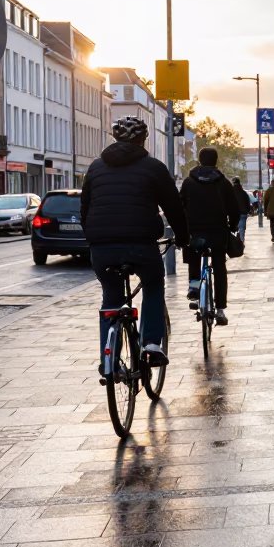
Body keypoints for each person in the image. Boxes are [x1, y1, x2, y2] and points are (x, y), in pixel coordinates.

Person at [81, 116, 189, 371]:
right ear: (143, 140)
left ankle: (110, 361)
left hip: (102, 247)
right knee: (152, 284)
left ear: (115, 138)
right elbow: (173, 207)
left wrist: (92, 238)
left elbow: (84, 207)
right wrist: (183, 237)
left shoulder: (95, 167)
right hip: (140, 244)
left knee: (111, 297)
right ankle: (151, 343)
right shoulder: (154, 167)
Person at [180, 147, 240, 326]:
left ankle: (193, 286)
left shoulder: (189, 182)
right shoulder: (223, 183)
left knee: (193, 254)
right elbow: (233, 209)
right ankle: (220, 309)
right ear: (215, 161)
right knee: (219, 267)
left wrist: (182, 228)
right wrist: (232, 226)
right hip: (217, 232)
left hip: (195, 231)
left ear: (199, 160)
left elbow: (180, 205)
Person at [231, 175, 252, 240]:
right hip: (243, 212)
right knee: (242, 228)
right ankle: (241, 241)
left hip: (233, 213)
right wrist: (248, 210)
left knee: (233, 228)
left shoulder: (230, 192)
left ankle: (234, 242)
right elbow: (247, 202)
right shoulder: (243, 192)